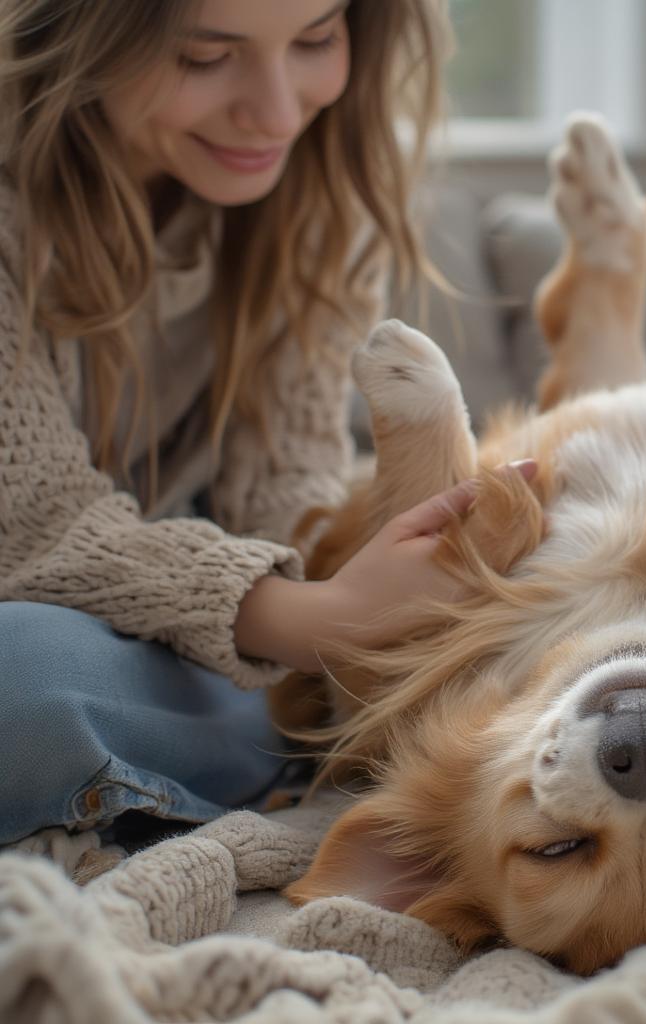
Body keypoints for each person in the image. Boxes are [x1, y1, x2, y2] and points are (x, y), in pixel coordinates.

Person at [0, 0, 530, 860]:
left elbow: (286, 486)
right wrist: (316, 620)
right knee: (20, 677)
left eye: (318, 40)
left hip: (200, 635)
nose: (278, 113)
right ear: (74, 32)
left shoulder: (314, 188)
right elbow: (33, 521)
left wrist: (360, 595)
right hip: (55, 616)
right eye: (205, 57)